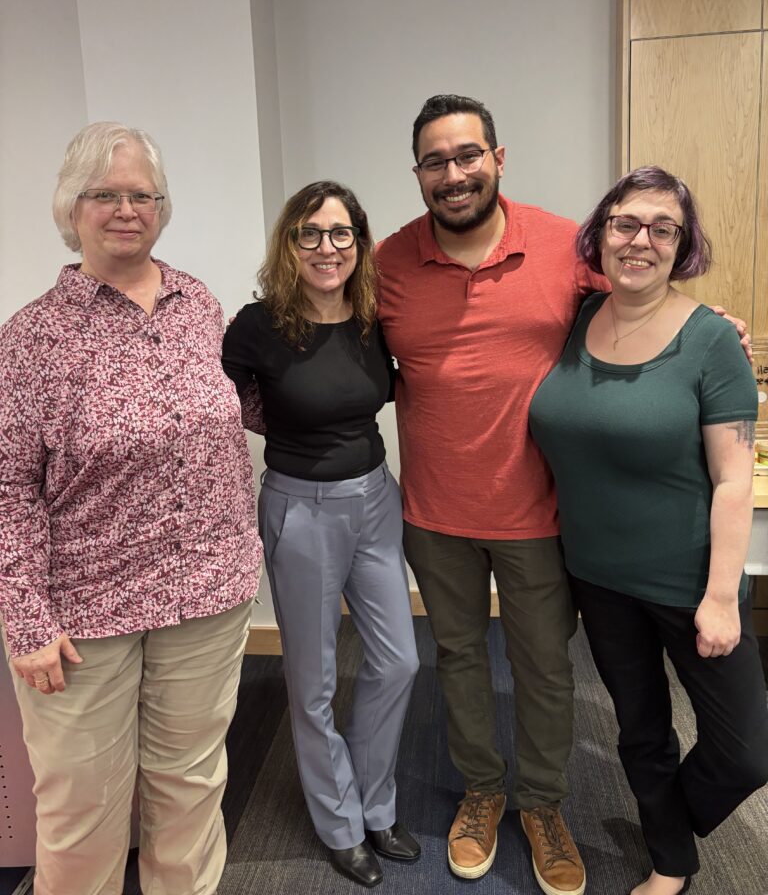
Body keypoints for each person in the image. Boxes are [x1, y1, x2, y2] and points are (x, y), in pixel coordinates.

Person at [375, 95, 749, 895]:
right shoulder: (389, 264)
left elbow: (644, 297)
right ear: (418, 174)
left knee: (546, 668)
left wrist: (714, 324)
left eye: (468, 155)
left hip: (539, 515)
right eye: (435, 162)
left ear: (498, 160)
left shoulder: (560, 246)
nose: (454, 174)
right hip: (434, 513)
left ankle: (542, 804)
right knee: (460, 656)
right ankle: (482, 791)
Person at [0, 122, 262, 895]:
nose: (125, 208)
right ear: (70, 209)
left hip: (208, 592)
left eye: (140, 194)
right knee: (84, 811)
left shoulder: (197, 303)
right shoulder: (31, 339)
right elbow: (9, 490)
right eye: (104, 194)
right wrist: (26, 618)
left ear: (161, 207)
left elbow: (231, 409)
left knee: (190, 788)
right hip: (84, 613)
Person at [529, 166, 768, 895]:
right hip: (598, 576)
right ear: (600, 235)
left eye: (663, 228)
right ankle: (671, 863)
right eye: (626, 223)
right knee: (640, 728)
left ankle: (668, 820)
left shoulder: (710, 341)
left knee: (746, 752)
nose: (641, 240)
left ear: (683, 245)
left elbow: (734, 480)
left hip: (692, 579)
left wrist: (722, 597)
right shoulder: (574, 321)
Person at [222, 180, 420, 889]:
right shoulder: (258, 325)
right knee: (311, 680)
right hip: (301, 510)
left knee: (399, 661)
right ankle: (339, 823)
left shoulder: (375, 317)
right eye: (310, 233)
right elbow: (216, 397)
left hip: (375, 499)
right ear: (289, 244)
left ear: (359, 244)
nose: (326, 247)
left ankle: (375, 804)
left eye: (341, 233)